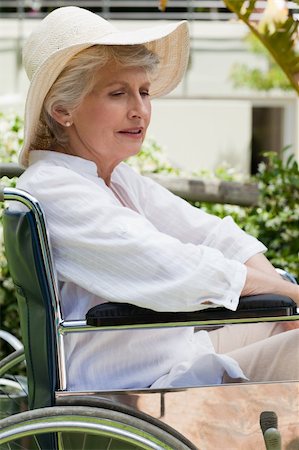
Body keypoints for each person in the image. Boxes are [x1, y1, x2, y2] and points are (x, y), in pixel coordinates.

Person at [16, 6, 298, 391]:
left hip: (176, 355)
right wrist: (286, 294)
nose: (140, 110)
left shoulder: (114, 179)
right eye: (119, 93)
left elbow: (213, 235)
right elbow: (173, 267)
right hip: (137, 386)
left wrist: (285, 297)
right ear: (63, 109)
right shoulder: (56, 188)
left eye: (144, 92)